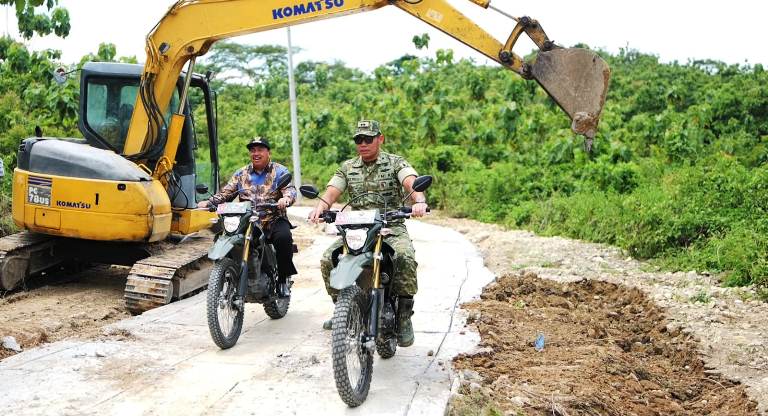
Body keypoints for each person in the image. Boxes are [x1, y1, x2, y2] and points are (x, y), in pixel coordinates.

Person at [309, 120, 428, 347]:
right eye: (358, 140)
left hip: (390, 224)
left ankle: (403, 317)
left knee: (404, 257)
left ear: (380, 139)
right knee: (328, 259)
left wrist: (419, 201)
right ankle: (342, 311)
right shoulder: (347, 167)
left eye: (368, 139)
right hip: (357, 228)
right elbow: (332, 191)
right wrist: (320, 207)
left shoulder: (394, 163)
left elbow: (411, 182)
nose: (362, 144)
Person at [198, 137, 297, 297]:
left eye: (260, 150)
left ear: (268, 152)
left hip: (272, 219)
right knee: (224, 235)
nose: (256, 153)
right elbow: (226, 193)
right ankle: (230, 273)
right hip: (246, 220)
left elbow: (290, 190)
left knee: (284, 238)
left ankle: (283, 279)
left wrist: (285, 199)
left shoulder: (279, 171)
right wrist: (210, 202)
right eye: (253, 150)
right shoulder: (241, 174)